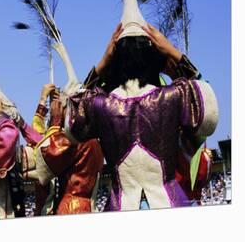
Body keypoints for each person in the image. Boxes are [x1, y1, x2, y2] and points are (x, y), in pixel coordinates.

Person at [65, 22, 219, 211]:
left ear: (115, 61)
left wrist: (101, 65)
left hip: (120, 208)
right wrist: (175, 55)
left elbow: (73, 117)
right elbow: (207, 106)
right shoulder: (173, 96)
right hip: (171, 205)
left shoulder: (101, 105)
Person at [28, 85, 104, 215]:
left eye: (62, 107)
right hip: (88, 206)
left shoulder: (74, 137)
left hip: (71, 208)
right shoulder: (93, 136)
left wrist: (55, 121)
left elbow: (43, 156)